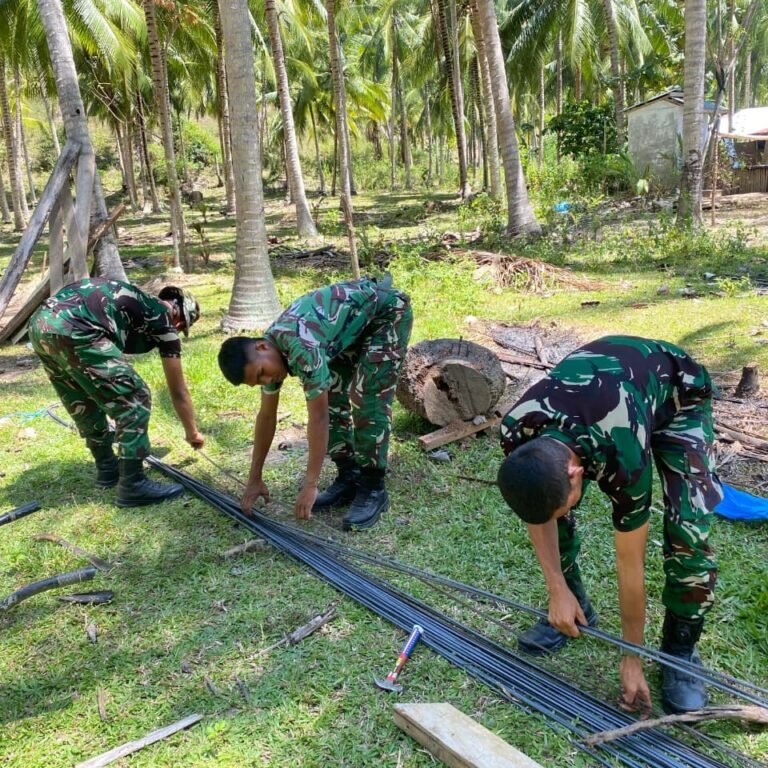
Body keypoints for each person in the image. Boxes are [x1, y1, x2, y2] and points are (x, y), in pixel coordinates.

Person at [496, 335, 722, 715]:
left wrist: (631, 657)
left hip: (678, 398)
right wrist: (556, 589)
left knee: (689, 530)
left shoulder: (623, 451)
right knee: (550, 510)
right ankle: (576, 603)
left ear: (576, 473)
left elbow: (629, 565)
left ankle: (679, 648)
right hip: (614, 389)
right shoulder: (519, 431)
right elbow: (539, 514)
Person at [217, 276, 413, 531]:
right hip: (348, 331)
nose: (266, 380)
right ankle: (349, 476)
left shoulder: (301, 346)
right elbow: (266, 417)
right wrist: (254, 478)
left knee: (368, 397)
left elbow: (318, 420)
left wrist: (310, 484)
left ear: (262, 346)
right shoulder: (269, 356)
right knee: (333, 398)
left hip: (385, 316)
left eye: (262, 373)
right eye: (258, 381)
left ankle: (373, 488)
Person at [29, 278, 205, 507]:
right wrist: (192, 433)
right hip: (78, 327)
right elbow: (178, 390)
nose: (178, 330)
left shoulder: (138, 301)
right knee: (135, 397)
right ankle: (134, 484)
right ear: (179, 315)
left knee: (81, 398)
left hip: (40, 324)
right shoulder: (163, 317)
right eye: (182, 326)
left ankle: (108, 470)